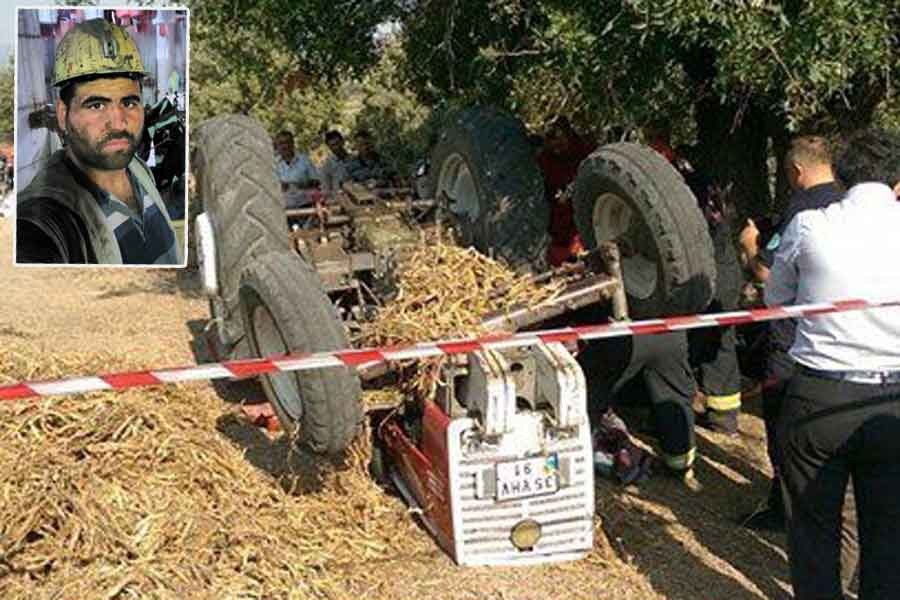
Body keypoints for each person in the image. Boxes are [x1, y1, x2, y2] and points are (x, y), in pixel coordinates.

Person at [766, 128, 900, 600]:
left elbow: (776, 298)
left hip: (819, 394)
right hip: (892, 399)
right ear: (896, 181)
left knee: (813, 534)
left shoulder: (810, 226)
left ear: (840, 177)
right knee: (889, 538)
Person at [17, 19, 180, 265]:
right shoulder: (42, 218)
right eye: (96, 105)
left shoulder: (136, 169)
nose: (117, 122)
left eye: (129, 103)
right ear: (63, 115)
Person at [535, 117, 596, 266]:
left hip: (585, 215)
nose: (556, 146)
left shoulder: (585, 152)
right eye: (551, 141)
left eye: (559, 139)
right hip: (559, 221)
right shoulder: (545, 160)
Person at [319, 129, 350, 198]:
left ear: (343, 142)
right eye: (333, 145)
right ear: (329, 147)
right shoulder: (326, 165)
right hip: (338, 199)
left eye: (338, 143)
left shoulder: (354, 159)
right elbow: (325, 190)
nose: (337, 147)